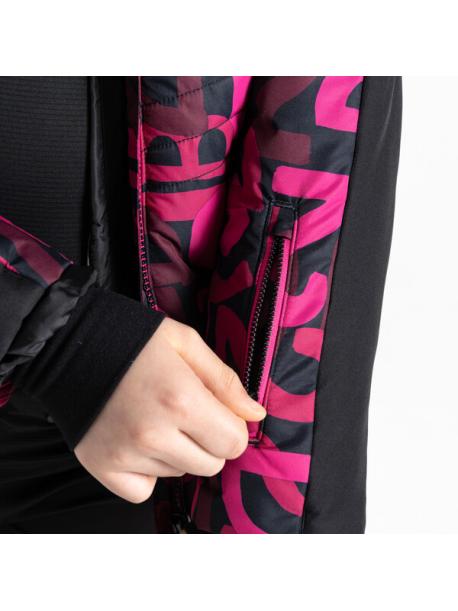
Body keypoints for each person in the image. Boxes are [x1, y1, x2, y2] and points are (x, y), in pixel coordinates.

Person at [0, 76, 402, 533]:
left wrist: (290, 524)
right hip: (98, 377)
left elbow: (318, 177)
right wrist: (59, 337)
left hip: (147, 420)